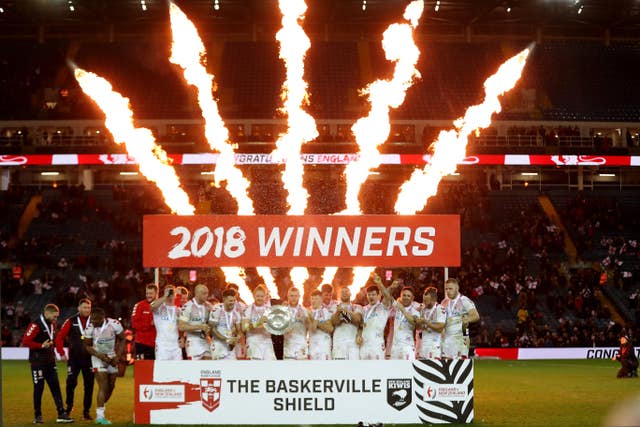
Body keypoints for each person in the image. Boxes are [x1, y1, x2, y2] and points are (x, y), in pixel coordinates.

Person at [22, 304, 74, 424]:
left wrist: (54, 353)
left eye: (57, 317)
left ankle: (61, 414)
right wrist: (40, 345)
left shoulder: (51, 324)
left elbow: (50, 340)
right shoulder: (35, 325)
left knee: (56, 387)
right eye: (54, 317)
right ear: (46, 313)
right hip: (38, 362)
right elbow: (25, 341)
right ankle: (38, 416)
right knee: (39, 389)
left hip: (50, 362)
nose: (56, 319)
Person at [83, 307, 125, 425]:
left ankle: (100, 406)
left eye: (96, 320)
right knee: (103, 385)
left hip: (112, 356)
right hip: (97, 357)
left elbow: (122, 339)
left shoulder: (115, 324)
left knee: (111, 386)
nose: (93, 322)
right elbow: (86, 345)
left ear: (103, 318)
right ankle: (100, 416)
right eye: (92, 320)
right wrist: (100, 356)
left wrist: (117, 357)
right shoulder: (90, 327)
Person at [55, 298, 94, 420]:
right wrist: (61, 353)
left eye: (88, 308)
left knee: (89, 385)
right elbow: (60, 337)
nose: (87, 310)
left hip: (90, 359)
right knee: (70, 383)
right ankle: (69, 406)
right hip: (74, 359)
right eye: (84, 307)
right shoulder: (71, 321)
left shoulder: (94, 321)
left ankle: (86, 411)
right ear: (79, 308)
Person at [441, 278, 480, 359]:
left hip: (460, 337)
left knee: (459, 366)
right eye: (446, 289)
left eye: (450, 288)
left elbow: (476, 316)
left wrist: (467, 319)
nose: (448, 291)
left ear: (457, 288)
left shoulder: (464, 300)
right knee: (446, 366)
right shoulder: (444, 302)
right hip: (447, 338)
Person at [360, 276, 392, 360]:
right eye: (369, 294)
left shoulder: (383, 307)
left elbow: (387, 296)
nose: (371, 297)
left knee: (377, 371)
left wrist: (379, 283)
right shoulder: (363, 309)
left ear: (379, 295)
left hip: (376, 344)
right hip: (363, 345)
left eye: (373, 294)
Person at [178, 284, 213, 360]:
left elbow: (212, 323)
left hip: (206, 340)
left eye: (207, 293)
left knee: (209, 366)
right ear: (197, 294)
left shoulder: (208, 306)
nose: (206, 295)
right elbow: (181, 326)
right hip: (193, 341)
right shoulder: (187, 306)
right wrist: (199, 327)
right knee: (194, 369)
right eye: (204, 293)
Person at [242, 285, 276, 360]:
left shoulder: (269, 310)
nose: (260, 298)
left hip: (267, 341)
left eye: (262, 296)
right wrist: (259, 323)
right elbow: (244, 328)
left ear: (265, 297)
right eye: (258, 296)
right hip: (253, 341)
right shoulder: (248, 309)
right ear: (254, 296)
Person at [388, 285, 421, 360]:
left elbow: (414, 322)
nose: (406, 297)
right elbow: (387, 295)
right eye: (404, 295)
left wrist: (403, 310)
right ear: (400, 296)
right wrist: (392, 286)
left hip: (407, 347)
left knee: (408, 371)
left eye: (408, 296)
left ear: (412, 298)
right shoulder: (396, 307)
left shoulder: (415, 310)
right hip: (395, 347)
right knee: (393, 371)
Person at [208, 289, 242, 360]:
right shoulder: (217, 310)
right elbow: (212, 330)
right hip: (218, 346)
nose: (232, 303)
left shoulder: (236, 313)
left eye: (233, 301)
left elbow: (239, 331)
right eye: (230, 301)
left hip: (230, 347)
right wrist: (226, 339)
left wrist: (237, 338)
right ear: (224, 299)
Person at [331, 285, 363, 360]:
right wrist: (338, 312)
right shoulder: (334, 307)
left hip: (353, 343)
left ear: (350, 294)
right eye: (342, 292)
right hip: (339, 343)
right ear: (339, 295)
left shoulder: (357, 307)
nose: (344, 293)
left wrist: (346, 311)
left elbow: (358, 320)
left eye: (346, 291)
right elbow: (334, 322)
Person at [150, 285, 182, 361]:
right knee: (162, 370)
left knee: (178, 370)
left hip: (176, 345)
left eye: (172, 292)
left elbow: (183, 327)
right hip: (162, 345)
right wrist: (164, 296)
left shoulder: (179, 310)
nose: (170, 293)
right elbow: (152, 307)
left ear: (175, 295)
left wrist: (182, 337)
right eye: (168, 291)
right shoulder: (159, 308)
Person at [416, 286, 446, 359]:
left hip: (434, 347)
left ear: (433, 299)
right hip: (422, 346)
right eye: (423, 300)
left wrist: (426, 321)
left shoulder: (440, 309)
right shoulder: (423, 309)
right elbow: (418, 328)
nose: (424, 303)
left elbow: (440, 328)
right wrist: (419, 315)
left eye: (426, 301)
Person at [131, 284, 158, 360]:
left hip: (157, 344)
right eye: (147, 293)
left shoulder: (161, 306)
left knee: (155, 369)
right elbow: (134, 324)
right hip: (141, 344)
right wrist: (149, 324)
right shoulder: (139, 305)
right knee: (141, 368)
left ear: (156, 294)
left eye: (151, 293)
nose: (148, 295)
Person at [283, 286, 310, 360]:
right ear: (288, 296)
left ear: (299, 296)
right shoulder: (284, 311)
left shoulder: (305, 311)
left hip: (301, 346)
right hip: (288, 347)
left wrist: (307, 320)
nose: (293, 298)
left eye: (295, 296)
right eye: (291, 296)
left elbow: (309, 328)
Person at [308, 290, 334, 360]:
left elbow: (330, 329)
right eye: (312, 299)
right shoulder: (308, 312)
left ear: (321, 299)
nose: (313, 301)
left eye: (316, 299)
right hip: (312, 347)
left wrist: (317, 323)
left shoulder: (326, 311)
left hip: (324, 347)